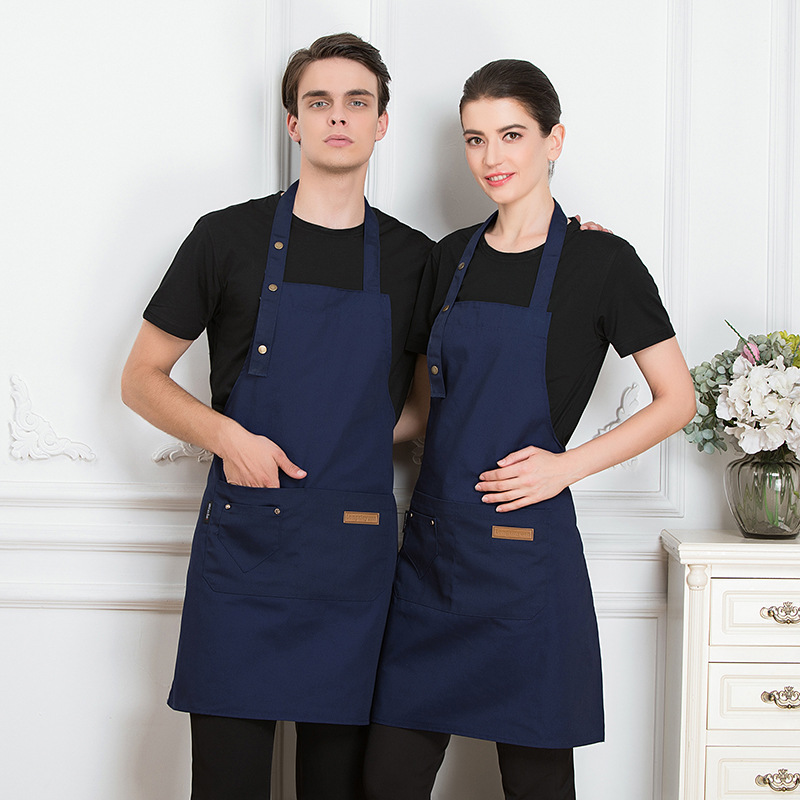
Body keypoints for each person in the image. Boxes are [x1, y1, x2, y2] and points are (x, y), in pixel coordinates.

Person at [364, 59, 696, 800]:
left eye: (511, 135)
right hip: (433, 554)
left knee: (537, 782)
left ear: (554, 140)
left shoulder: (601, 261)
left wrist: (565, 467)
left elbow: (678, 400)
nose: (492, 157)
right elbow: (422, 412)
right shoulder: (449, 258)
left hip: (526, 559)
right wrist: (324, 441)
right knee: (387, 777)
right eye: (475, 139)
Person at [121, 33, 434, 800]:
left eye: (357, 102)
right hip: (244, 552)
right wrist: (227, 436)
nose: (338, 117)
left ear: (381, 123)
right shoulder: (224, 238)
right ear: (294, 122)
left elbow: (419, 411)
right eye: (318, 102)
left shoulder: (416, 259)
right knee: (226, 784)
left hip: (352, 562)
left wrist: (573, 239)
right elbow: (140, 379)